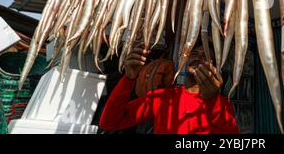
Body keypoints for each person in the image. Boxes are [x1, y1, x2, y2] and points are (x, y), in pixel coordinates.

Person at [99, 42, 240, 134]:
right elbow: (109, 123)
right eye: (194, 53)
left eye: (205, 56)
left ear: (214, 66)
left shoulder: (221, 104)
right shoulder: (162, 97)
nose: (198, 58)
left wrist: (212, 102)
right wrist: (128, 79)